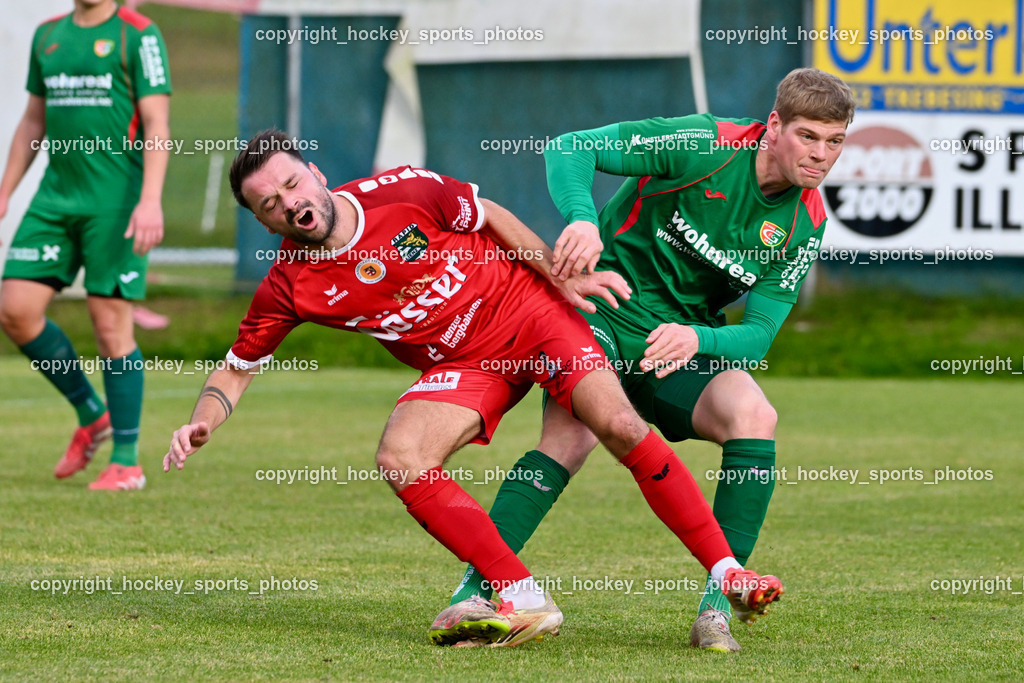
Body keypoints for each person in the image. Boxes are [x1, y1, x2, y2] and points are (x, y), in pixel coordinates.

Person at [163, 129, 784, 647]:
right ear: (262, 222)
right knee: (400, 457)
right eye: (269, 203)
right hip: (469, 363)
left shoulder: (403, 191)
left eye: (291, 182)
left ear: (315, 174)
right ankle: (519, 595)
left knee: (618, 426)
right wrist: (204, 421)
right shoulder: (288, 286)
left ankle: (725, 572)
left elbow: (490, 216)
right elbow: (236, 367)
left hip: (531, 314)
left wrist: (558, 277)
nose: (288, 201)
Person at [447, 67, 854, 651]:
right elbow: (571, 148)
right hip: (601, 312)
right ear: (773, 127)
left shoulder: (804, 220)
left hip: (674, 345)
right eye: (808, 136)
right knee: (570, 439)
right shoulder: (704, 145)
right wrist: (583, 219)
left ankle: (718, 607)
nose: (820, 155)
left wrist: (698, 339)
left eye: (834, 141)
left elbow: (761, 332)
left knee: (755, 415)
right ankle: (476, 591)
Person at [0, 0, 171, 490]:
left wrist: (151, 200)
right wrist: (6, 192)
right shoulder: (47, 34)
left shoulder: (137, 34)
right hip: (54, 201)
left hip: (116, 204)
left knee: (109, 324)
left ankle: (127, 461)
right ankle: (90, 413)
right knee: (15, 310)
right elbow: (34, 122)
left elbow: (157, 124)